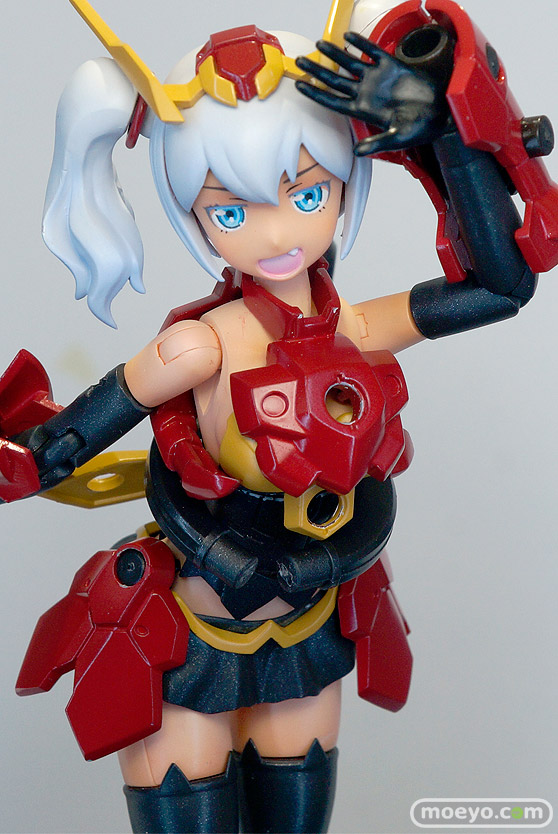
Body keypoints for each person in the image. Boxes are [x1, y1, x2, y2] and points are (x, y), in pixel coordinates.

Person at [2, 1, 557, 832]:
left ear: (343, 182)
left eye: (307, 193)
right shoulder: (200, 347)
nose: (276, 234)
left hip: (308, 621)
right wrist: (27, 460)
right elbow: (70, 435)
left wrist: (445, 138)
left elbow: (500, 287)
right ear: (193, 215)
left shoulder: (354, 326)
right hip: (189, 628)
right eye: (230, 211)